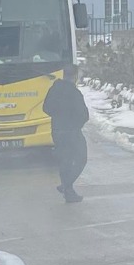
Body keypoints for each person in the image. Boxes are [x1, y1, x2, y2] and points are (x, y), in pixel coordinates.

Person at [43, 66, 88, 203]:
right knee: (81, 158)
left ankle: (68, 191)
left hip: (57, 130)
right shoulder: (75, 93)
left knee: (65, 160)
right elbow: (84, 115)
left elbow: (46, 108)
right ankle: (66, 185)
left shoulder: (54, 89)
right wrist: (75, 125)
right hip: (72, 132)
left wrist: (58, 117)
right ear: (74, 76)